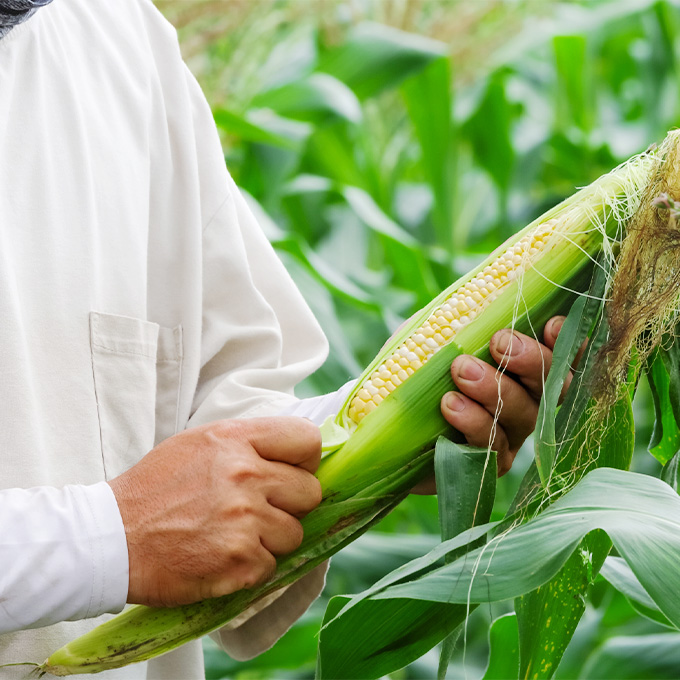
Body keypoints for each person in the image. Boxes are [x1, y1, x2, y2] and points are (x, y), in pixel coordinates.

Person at [0, 0, 569, 678]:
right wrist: (105, 540)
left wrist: (390, 430)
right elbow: (142, 516)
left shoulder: (116, 36)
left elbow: (219, 413)